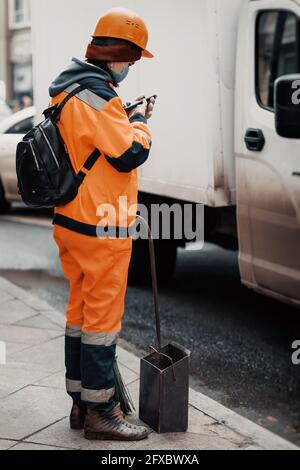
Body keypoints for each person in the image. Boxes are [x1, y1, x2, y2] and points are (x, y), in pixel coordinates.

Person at [50, 7, 156, 441]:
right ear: (116, 55)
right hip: (102, 225)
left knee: (79, 313)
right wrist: (142, 123)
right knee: (102, 321)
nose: (130, 68)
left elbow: (92, 141)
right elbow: (130, 153)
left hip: (70, 219)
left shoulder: (68, 87)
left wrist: (123, 118)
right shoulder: (102, 96)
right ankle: (101, 412)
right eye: (130, 60)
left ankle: (79, 402)